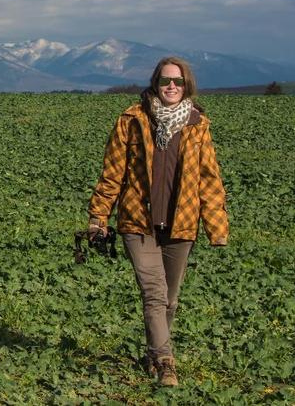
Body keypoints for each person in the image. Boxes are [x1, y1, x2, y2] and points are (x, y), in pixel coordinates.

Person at [87, 56, 229, 387]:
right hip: (138, 222)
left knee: (170, 298)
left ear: (187, 85)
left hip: (181, 223)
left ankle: (153, 354)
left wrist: (216, 227)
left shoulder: (197, 125)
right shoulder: (132, 120)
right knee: (154, 292)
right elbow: (112, 173)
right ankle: (166, 362)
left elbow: (209, 179)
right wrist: (99, 215)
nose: (171, 86)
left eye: (178, 82)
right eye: (166, 80)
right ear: (155, 82)